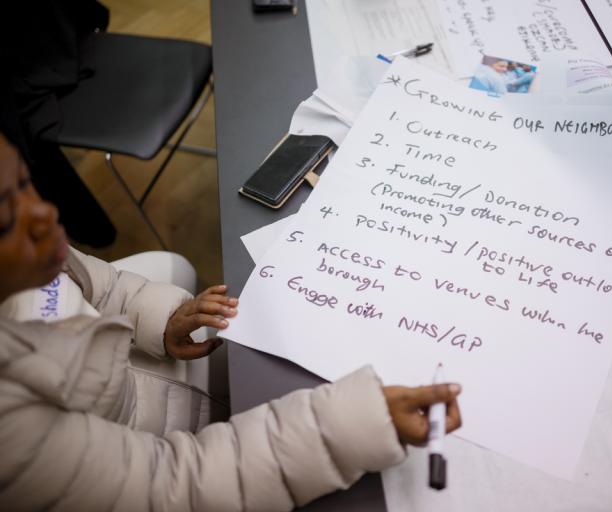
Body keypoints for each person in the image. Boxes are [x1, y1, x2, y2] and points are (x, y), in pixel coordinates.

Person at [0, 132, 462, 511]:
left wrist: (161, 320)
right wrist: (360, 424)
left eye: (25, 184)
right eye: (5, 220)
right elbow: (172, 489)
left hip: (145, 381)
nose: (43, 214)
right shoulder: (12, 434)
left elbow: (100, 287)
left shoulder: (37, 259)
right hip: (164, 457)